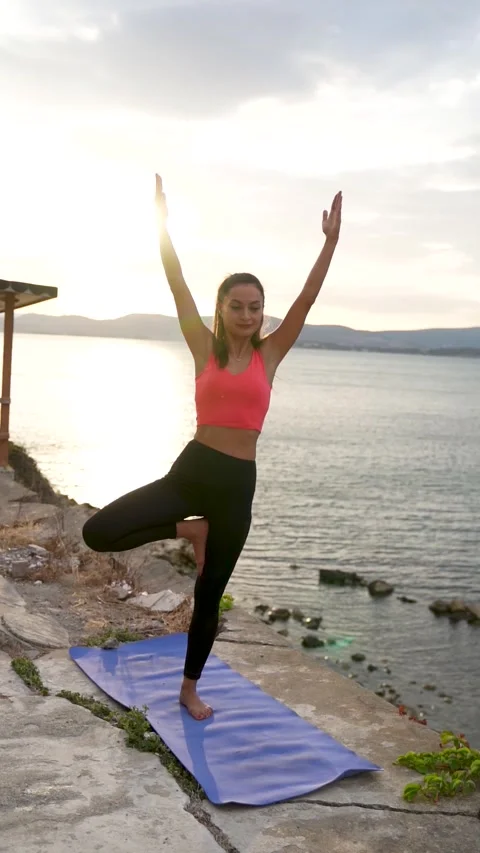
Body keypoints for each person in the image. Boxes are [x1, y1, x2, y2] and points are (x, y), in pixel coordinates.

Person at [82, 174, 342, 720]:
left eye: (255, 307)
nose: (247, 315)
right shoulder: (203, 347)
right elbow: (176, 282)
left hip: (237, 487)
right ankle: (188, 529)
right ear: (220, 309)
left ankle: (188, 688)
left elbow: (307, 298)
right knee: (98, 531)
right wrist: (162, 225)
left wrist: (329, 244)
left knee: (209, 593)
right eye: (237, 306)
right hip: (192, 473)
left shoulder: (271, 354)